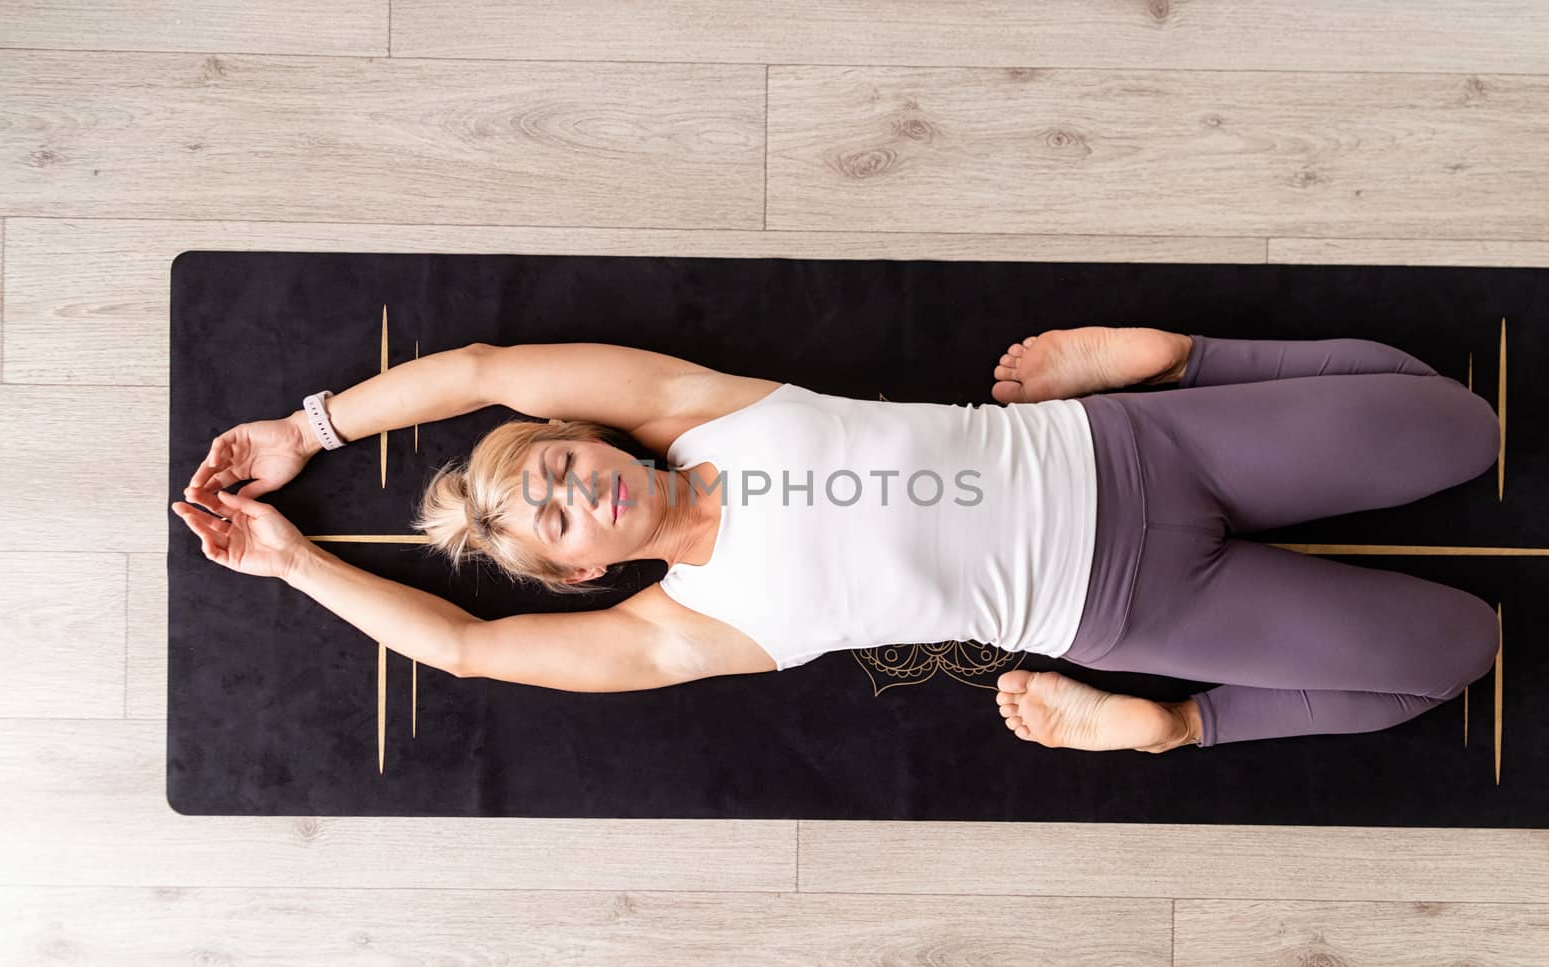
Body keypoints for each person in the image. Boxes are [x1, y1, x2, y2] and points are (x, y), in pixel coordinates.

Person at [172, 327, 1503, 754]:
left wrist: (314, 428)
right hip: (1127, 610)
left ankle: (1176, 356)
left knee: (1466, 428)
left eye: (562, 466)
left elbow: (483, 368)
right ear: (581, 571)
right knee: (1463, 647)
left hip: (1141, 445)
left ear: (601, 439)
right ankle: (1168, 732)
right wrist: (294, 560)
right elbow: (462, 647)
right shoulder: (680, 629)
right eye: (554, 519)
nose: (575, 494)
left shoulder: (704, 411)